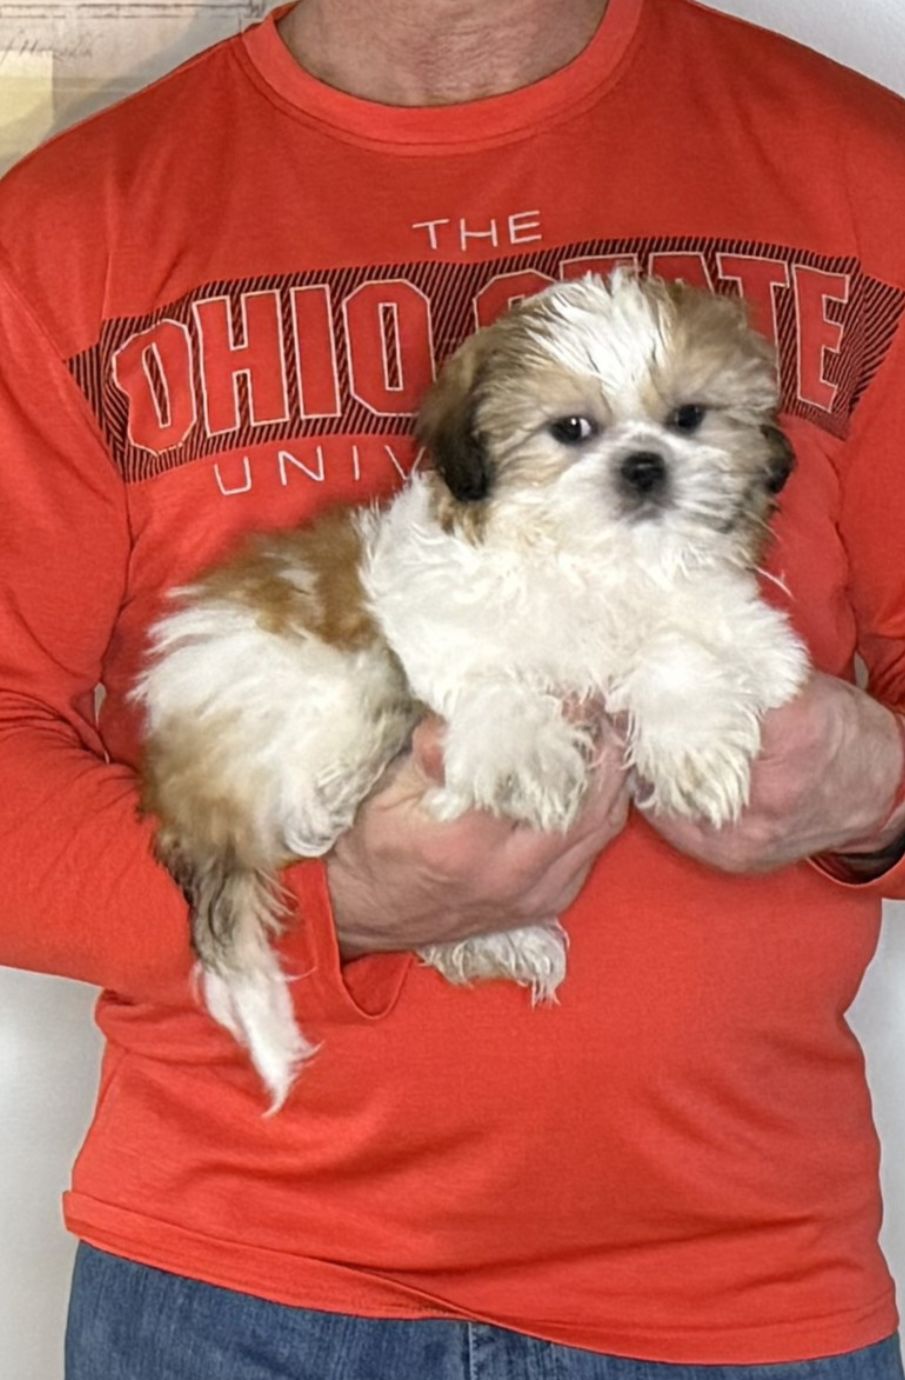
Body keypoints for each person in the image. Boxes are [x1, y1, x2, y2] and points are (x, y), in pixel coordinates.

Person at [1, 0, 905, 1375]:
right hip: (232, 1273)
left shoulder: (863, 173)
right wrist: (327, 904)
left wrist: (876, 793)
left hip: (745, 1280)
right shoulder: (67, 230)